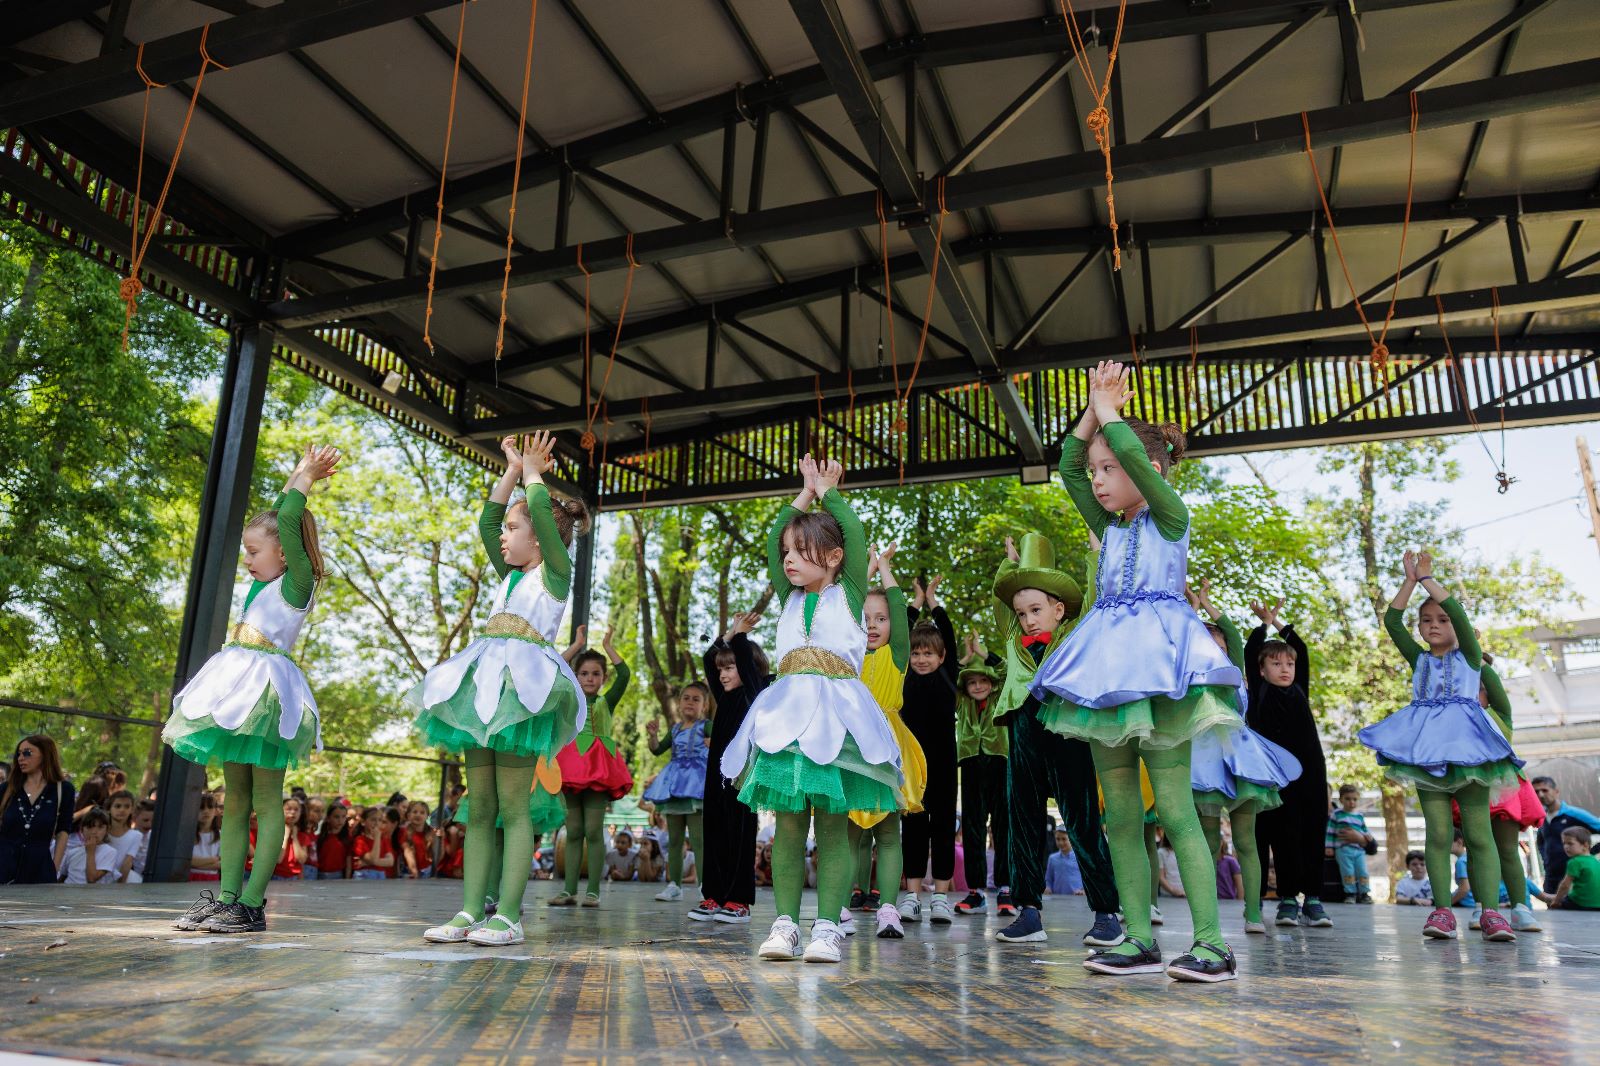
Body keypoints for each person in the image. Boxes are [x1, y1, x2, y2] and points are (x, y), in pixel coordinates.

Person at [1034, 360, 1243, 983]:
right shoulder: (1108, 526)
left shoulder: (1170, 516)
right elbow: (1068, 465)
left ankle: (1212, 945)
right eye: (1098, 470)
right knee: (1120, 817)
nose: (1098, 480)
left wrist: (1111, 414)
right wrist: (1091, 415)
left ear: (1148, 469)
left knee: (1175, 811)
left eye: (1111, 469)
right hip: (1106, 677)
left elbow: (1130, 455)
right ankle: (1138, 938)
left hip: (1161, 676)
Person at [720, 455, 902, 964]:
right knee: (789, 823)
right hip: (787, 717)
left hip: (838, 717)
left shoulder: (849, 593)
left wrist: (829, 493)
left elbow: (856, 534)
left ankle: (827, 927)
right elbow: (773, 536)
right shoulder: (789, 596)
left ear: (836, 557)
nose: (789, 560)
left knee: (834, 826)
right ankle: (784, 924)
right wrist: (803, 493)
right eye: (788, 553)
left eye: (802, 552)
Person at [414, 432, 588, 946]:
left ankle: (509, 915)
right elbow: (487, 521)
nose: (503, 537)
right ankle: (470, 910)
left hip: (523, 692)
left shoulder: (555, 573)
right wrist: (511, 469)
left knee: (514, 808)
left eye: (515, 529)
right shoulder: (508, 574)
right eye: (508, 530)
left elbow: (537, 519)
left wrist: (534, 474)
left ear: (541, 539)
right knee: (481, 809)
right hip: (484, 686)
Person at [165, 445, 339, 934]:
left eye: (253, 552)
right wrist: (297, 474)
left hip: (268, 696)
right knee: (234, 801)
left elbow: (288, 519)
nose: (247, 560)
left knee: (266, 800)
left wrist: (306, 479)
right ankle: (226, 899)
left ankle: (252, 903)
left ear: (285, 552)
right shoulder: (267, 577)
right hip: (239, 694)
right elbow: (281, 515)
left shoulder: (297, 581)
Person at [1359, 551, 1523, 943]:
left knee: (1479, 835)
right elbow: (1392, 622)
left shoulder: (1471, 657)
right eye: (1426, 620)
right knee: (1437, 834)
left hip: (1470, 751)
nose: (1433, 625)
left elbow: (1459, 615)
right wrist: (1409, 582)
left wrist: (1428, 580)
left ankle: (1491, 913)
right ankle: (1443, 912)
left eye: (1442, 620)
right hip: (1427, 752)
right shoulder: (1418, 659)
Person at [990, 531, 1121, 948]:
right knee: (1022, 823)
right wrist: (1010, 566)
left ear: (1058, 609)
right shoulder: (1012, 640)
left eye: (1036, 610)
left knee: (1082, 821)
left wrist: (1096, 556)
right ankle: (1028, 912)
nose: (1028, 619)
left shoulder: (1075, 633)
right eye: (1022, 613)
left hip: (1066, 732)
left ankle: (1107, 914)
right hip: (1023, 732)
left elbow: (1098, 602)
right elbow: (1000, 604)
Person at [1186, 581, 1301, 934]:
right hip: (1204, 762)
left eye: (1219, 647)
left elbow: (1234, 637)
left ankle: (1253, 912)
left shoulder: (1235, 671)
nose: (1215, 651)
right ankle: (1206, 916)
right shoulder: (1188, 676)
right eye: (1205, 645)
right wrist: (1190, 613)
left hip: (1241, 759)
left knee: (1246, 840)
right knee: (1207, 840)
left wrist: (1206, 603)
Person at [844, 543, 924, 939]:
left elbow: (896, 604)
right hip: (850, 746)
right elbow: (845, 605)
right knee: (848, 833)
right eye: (865, 619)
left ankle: (888, 910)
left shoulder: (897, 656)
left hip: (888, 748)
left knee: (889, 833)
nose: (872, 625)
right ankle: (838, 909)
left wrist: (885, 570)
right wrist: (866, 573)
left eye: (881, 618)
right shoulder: (846, 656)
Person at [1243, 602, 1331, 929]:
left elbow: (1301, 649)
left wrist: (1279, 623)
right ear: (1261, 670)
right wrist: (1264, 624)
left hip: (1311, 773)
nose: (1285, 668)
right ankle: (1289, 899)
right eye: (1276, 663)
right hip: (1276, 776)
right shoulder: (1259, 692)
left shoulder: (1299, 690)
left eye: (1289, 663)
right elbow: (1251, 649)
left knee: (1313, 833)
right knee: (1284, 835)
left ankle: (1314, 900)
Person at [692, 611, 769, 924]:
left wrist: (741, 636)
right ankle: (714, 895)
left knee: (739, 834)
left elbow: (747, 664)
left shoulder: (754, 693)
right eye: (721, 669)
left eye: (730, 668)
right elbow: (708, 658)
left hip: (742, 777)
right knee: (714, 830)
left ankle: (739, 901)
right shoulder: (723, 698)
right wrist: (729, 634)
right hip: (716, 778)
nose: (722, 675)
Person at [552, 625, 633, 908]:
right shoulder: (568, 698)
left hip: (599, 768)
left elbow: (625, 675)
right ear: (575, 676)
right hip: (571, 767)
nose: (589, 678)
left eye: (596, 673)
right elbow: (554, 667)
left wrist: (608, 645)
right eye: (584, 673)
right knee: (573, 830)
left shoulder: (606, 701)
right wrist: (576, 645)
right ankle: (568, 890)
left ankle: (593, 891)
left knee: (594, 830)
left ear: (603, 678)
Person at [898, 575, 959, 927]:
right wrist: (915, 604)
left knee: (943, 830)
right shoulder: (904, 677)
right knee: (914, 830)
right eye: (916, 653)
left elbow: (947, 632)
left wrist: (932, 602)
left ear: (942, 656)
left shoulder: (949, 675)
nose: (921, 659)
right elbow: (900, 638)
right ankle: (911, 897)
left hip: (945, 767)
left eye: (928, 654)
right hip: (912, 769)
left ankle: (940, 898)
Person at [1467, 658, 1544, 932]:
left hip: (1502, 786)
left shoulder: (1499, 713)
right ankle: (1480, 907)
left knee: (1508, 849)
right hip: (1468, 784)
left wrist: (1476, 657)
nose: (1475, 692)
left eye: (1480, 688)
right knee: (1475, 850)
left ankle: (1520, 908)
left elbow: (1494, 688)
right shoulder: (1454, 715)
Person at [643, 681, 712, 903]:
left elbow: (722, 742)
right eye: (686, 698)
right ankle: (674, 885)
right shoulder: (674, 729)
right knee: (674, 839)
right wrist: (653, 735)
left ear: (704, 705)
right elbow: (657, 750)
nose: (690, 702)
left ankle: (705, 886)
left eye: (696, 699)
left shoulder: (706, 726)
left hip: (695, 785)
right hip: (673, 785)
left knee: (699, 839)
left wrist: (714, 743)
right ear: (679, 703)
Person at [954, 651, 1009, 917]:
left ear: (992, 683)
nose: (977, 686)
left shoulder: (1000, 698)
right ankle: (976, 891)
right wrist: (963, 660)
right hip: (971, 765)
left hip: (999, 763)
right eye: (972, 682)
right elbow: (948, 679)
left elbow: (1007, 672)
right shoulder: (962, 702)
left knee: (1003, 827)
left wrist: (985, 654)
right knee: (973, 828)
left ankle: (1006, 889)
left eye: (983, 681)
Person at [0, 735, 76, 884]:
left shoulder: (63, 790)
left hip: (40, 869)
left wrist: (54, 867)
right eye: (19, 754)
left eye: (27, 753)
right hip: (4, 867)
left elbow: (63, 831)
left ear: (45, 754)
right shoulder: (6, 789)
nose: (21, 758)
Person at [1533, 777, 1600, 895]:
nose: (1541, 795)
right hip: (1551, 880)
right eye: (1536, 792)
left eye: (1545, 790)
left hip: (1576, 879)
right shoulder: (1542, 818)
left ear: (1556, 791)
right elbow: (1541, 841)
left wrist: (1589, 854)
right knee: (1553, 907)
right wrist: (1545, 859)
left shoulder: (1574, 814)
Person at [1325, 785, 1374, 903]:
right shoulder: (1336, 814)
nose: (1351, 802)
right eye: (1347, 799)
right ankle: (1350, 893)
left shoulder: (1359, 816)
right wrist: (1329, 846)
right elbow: (1330, 831)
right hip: (1343, 850)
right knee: (1347, 871)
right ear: (1341, 800)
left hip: (1358, 850)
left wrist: (1367, 837)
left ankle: (1364, 893)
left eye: (1354, 799)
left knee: (1363, 871)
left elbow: (1364, 830)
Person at [59, 808, 117, 885]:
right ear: (81, 830)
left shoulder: (110, 852)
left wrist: (90, 852)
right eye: (89, 827)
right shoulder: (72, 852)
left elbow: (91, 879)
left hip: (91, 892)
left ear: (107, 830)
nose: (94, 832)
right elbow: (62, 877)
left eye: (100, 827)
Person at [1550, 827, 1600, 910]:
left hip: (1581, 903)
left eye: (1570, 843)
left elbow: (1565, 885)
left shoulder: (1575, 861)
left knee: (1553, 910)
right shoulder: (1595, 861)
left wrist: (1556, 901)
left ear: (1585, 845)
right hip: (1598, 905)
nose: (1566, 847)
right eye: (1564, 843)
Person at [270, 796, 311, 881]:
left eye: (296, 810)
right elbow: (278, 860)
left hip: (295, 877)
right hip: (275, 877)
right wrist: (285, 836)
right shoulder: (273, 833)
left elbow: (302, 860)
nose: (293, 812)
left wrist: (294, 837)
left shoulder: (303, 836)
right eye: (288, 809)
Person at [352, 805, 396, 880]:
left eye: (379, 820)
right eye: (373, 820)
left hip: (380, 875)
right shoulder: (360, 840)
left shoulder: (384, 839)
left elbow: (390, 862)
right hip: (364, 875)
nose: (376, 823)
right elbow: (373, 859)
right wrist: (377, 837)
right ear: (363, 822)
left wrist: (368, 863)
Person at [190, 794, 223, 882]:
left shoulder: (222, 835)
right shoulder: (186, 835)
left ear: (216, 811)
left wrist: (195, 864)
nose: (206, 811)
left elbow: (223, 864)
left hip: (211, 880)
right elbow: (186, 861)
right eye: (201, 808)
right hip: (189, 878)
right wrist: (214, 859)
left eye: (210, 807)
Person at [315, 802, 352, 879]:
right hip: (319, 874)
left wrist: (347, 878)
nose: (340, 820)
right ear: (328, 818)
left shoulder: (348, 838)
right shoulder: (320, 837)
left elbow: (349, 861)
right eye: (336, 817)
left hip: (338, 875)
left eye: (343, 817)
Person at [400, 801, 435, 878]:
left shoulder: (432, 832)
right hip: (410, 871)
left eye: (422, 813)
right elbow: (408, 852)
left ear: (427, 816)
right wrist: (413, 869)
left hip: (428, 870)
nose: (418, 815)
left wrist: (440, 839)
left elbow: (436, 854)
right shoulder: (404, 832)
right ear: (408, 815)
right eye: (415, 812)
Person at [1045, 830, 1083, 896]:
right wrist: (1048, 887)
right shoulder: (1052, 858)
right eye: (1058, 839)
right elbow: (1049, 878)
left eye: (1064, 839)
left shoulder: (1079, 857)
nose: (1060, 842)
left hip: (1077, 897)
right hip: (1057, 898)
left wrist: (1083, 891)